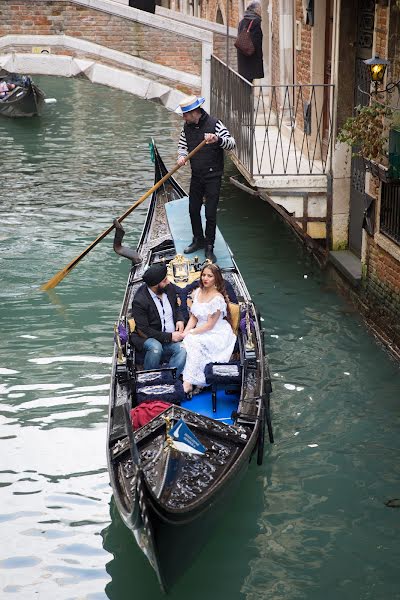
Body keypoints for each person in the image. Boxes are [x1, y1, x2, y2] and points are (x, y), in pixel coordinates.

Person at [176, 95, 236, 263]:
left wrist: (217, 139)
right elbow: (182, 146)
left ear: (195, 112)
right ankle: (198, 240)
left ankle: (209, 247)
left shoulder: (215, 124)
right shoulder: (186, 127)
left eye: (185, 114)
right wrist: (182, 157)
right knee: (193, 210)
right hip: (197, 175)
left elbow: (232, 143)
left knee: (210, 213)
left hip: (213, 176)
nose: (183, 117)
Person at [181, 263, 237, 395]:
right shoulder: (197, 292)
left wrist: (192, 332)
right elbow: (194, 317)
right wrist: (185, 332)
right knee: (186, 341)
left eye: (209, 276)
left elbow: (210, 325)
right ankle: (188, 380)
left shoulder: (218, 299)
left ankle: (189, 382)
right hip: (201, 329)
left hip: (216, 332)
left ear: (216, 279)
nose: (205, 278)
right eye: (204, 275)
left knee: (194, 342)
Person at [130, 263, 187, 376]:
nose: (169, 282)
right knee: (156, 347)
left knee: (183, 348)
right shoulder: (140, 301)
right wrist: (170, 336)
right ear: (156, 285)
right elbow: (144, 330)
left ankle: (169, 379)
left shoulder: (169, 288)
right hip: (148, 338)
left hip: (170, 338)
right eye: (165, 280)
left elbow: (176, 307)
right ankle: (149, 377)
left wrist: (180, 319)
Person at [237, 1, 264, 84]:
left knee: (244, 85)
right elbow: (256, 42)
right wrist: (260, 58)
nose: (261, 11)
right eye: (260, 9)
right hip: (251, 58)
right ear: (255, 10)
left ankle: (244, 97)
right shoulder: (256, 22)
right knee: (248, 84)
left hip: (242, 58)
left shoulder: (242, 22)